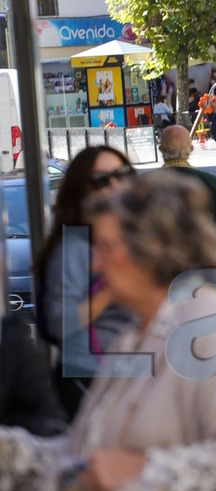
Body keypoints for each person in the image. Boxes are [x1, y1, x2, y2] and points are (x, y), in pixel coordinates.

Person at [0, 170, 216, 491]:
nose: (96, 264)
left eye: (106, 247)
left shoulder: (211, 323)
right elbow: (79, 456)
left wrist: (143, 470)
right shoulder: (131, 337)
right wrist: (10, 451)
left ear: (150, 248)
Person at [31, 146, 137, 419]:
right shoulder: (75, 247)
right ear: (81, 193)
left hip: (133, 380)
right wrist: (109, 291)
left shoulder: (134, 238)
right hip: (91, 385)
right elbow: (58, 322)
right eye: (102, 180)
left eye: (122, 174)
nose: (115, 184)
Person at [159, 125, 216, 255]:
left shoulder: (144, 183)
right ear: (191, 149)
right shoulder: (208, 181)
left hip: (160, 265)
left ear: (160, 149)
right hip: (200, 261)